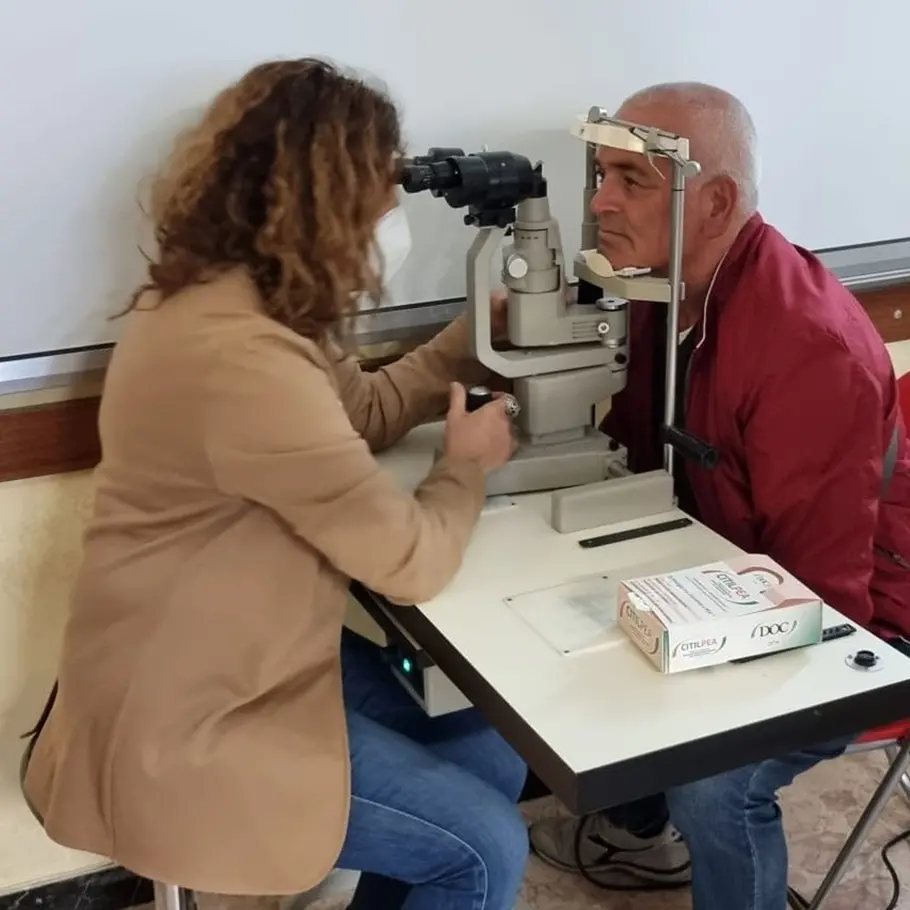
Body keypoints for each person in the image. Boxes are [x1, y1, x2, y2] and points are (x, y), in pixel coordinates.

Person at [21, 58, 531, 910]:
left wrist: (473, 332)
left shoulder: (238, 302)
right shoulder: (243, 359)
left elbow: (361, 411)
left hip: (239, 651)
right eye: (386, 189)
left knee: (488, 743)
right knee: (484, 848)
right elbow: (410, 563)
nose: (394, 213)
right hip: (194, 717)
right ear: (328, 195)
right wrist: (464, 467)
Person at [529, 81, 910, 910]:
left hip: (863, 624)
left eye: (633, 181)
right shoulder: (665, 291)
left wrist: (679, 638)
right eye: (601, 174)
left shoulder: (807, 350)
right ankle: (633, 827)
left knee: (713, 780)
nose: (599, 202)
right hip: (727, 565)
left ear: (716, 202)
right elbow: (636, 463)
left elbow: (822, 600)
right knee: (576, 621)